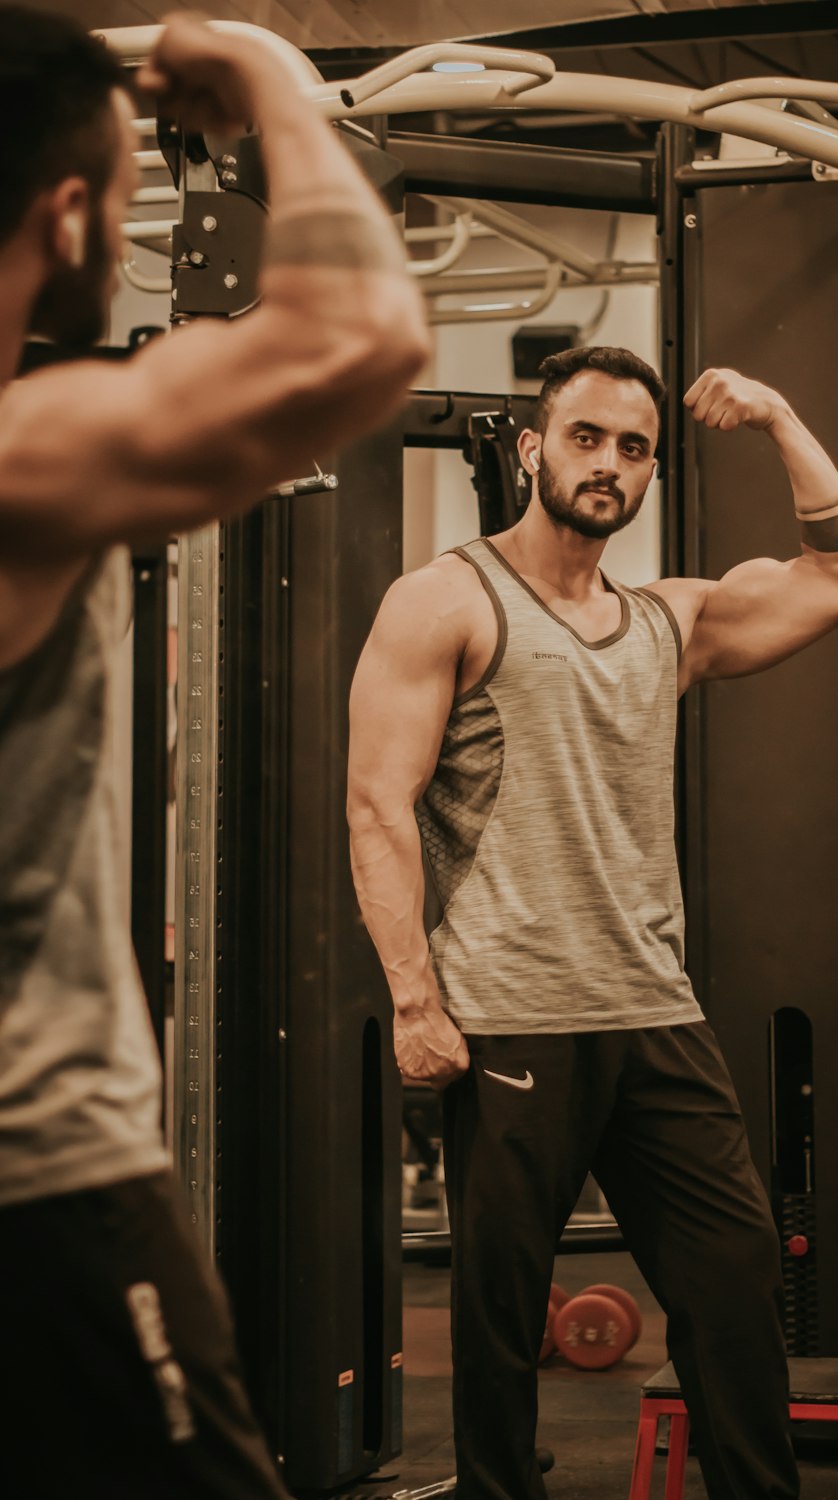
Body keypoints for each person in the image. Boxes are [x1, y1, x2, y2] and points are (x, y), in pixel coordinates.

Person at [0, 8, 427, 1497]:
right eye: (121, 193)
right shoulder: (27, 458)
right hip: (39, 1187)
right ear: (67, 214)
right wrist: (271, 87)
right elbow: (362, 336)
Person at [347, 345, 838, 1500]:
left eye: (634, 448)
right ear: (536, 450)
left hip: (652, 1010)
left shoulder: (670, 621)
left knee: (734, 1280)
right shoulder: (446, 599)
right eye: (586, 438)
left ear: (649, 474)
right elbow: (375, 804)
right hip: (509, 1018)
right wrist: (413, 998)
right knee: (498, 1316)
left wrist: (783, 413)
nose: (610, 464)